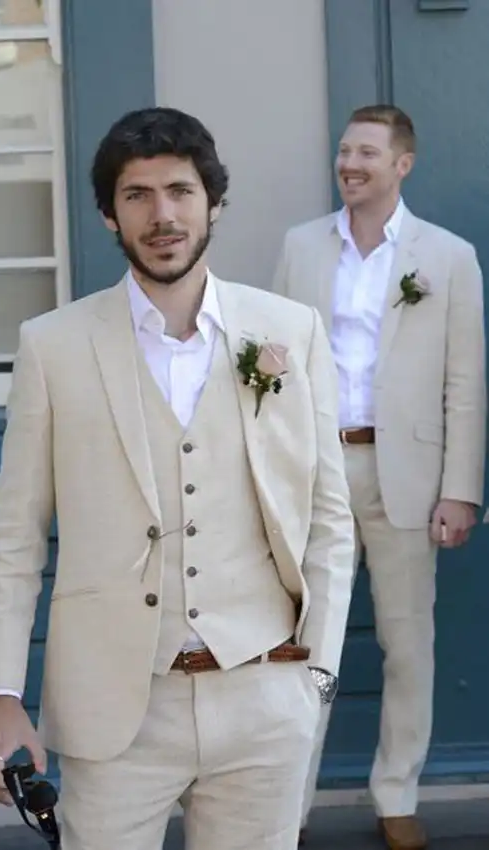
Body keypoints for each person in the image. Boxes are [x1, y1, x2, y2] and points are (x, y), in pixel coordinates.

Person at [0, 107, 355, 850]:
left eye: (180, 190)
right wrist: (0, 693)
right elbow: (13, 538)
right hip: (115, 707)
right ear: (109, 215)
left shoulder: (289, 330)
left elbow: (328, 517)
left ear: (213, 203)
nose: (163, 215)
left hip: (263, 696)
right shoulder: (52, 346)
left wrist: (318, 677)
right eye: (137, 195)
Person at [272, 105, 486, 850]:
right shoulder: (301, 246)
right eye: (344, 150)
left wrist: (460, 489)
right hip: (316, 470)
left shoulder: (449, 256)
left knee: (408, 645)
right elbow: (271, 360)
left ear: (402, 164)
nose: (350, 164)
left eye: (366, 152)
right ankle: (287, 807)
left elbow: (465, 381)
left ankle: (397, 794)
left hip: (410, 476)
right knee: (308, 648)